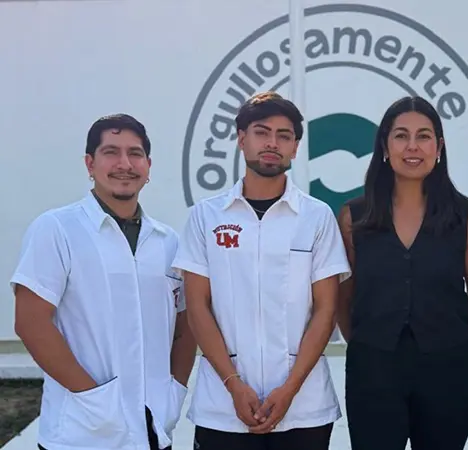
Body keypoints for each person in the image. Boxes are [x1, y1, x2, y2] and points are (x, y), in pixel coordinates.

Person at [172, 91, 350, 450]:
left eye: (284, 136)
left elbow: (326, 310)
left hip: (304, 409)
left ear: (295, 147)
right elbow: (198, 307)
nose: (272, 143)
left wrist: (290, 389)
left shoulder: (316, 217)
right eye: (261, 132)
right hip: (222, 408)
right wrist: (233, 385)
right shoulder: (206, 216)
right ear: (242, 139)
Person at [11, 114, 198, 450]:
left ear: (148, 166)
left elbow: (185, 326)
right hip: (81, 434)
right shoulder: (57, 229)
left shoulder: (167, 241)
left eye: (135, 153)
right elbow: (31, 323)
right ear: (90, 164)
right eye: (111, 152)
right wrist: (94, 399)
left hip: (153, 429)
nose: (124, 164)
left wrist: (175, 389)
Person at [336, 96, 468, 450]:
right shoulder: (353, 218)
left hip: (448, 374)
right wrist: (371, 347)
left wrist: (448, 348)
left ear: (439, 147)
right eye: (401, 136)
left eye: (423, 136)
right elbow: (342, 302)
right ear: (384, 146)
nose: (412, 146)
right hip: (372, 373)